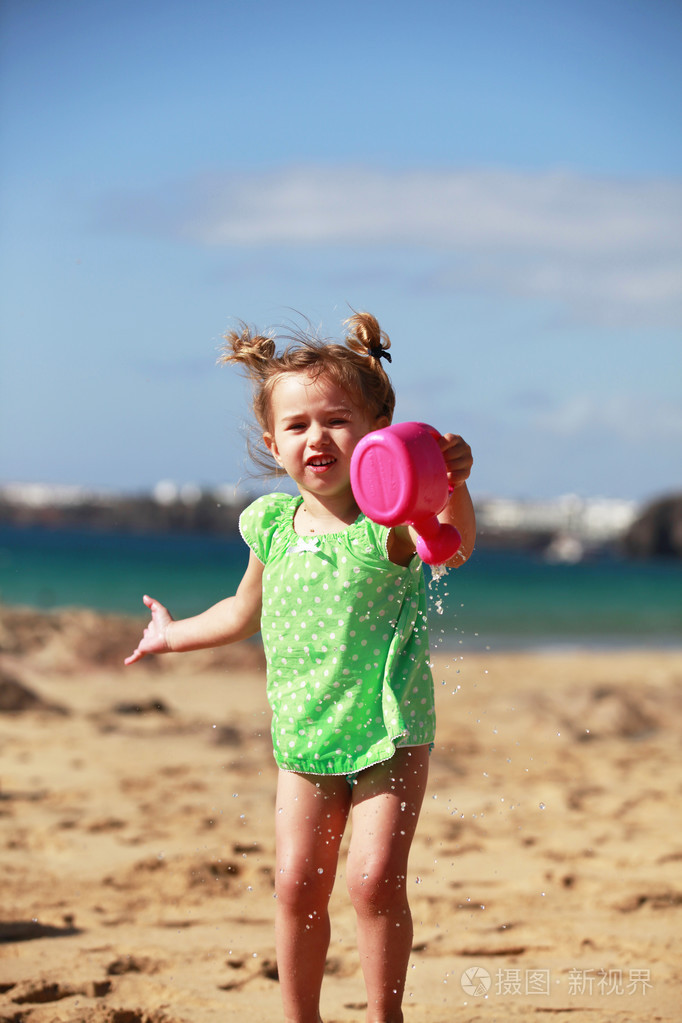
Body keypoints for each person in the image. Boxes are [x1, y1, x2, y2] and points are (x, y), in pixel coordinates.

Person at [125, 312, 475, 1023]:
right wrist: (171, 635)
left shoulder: (392, 523)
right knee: (294, 884)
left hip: (391, 728)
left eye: (337, 420)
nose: (317, 437)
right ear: (272, 443)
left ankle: (385, 1014)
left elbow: (453, 544)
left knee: (374, 880)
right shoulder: (272, 525)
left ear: (379, 427)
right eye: (297, 425)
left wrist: (450, 482)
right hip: (305, 733)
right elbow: (240, 610)